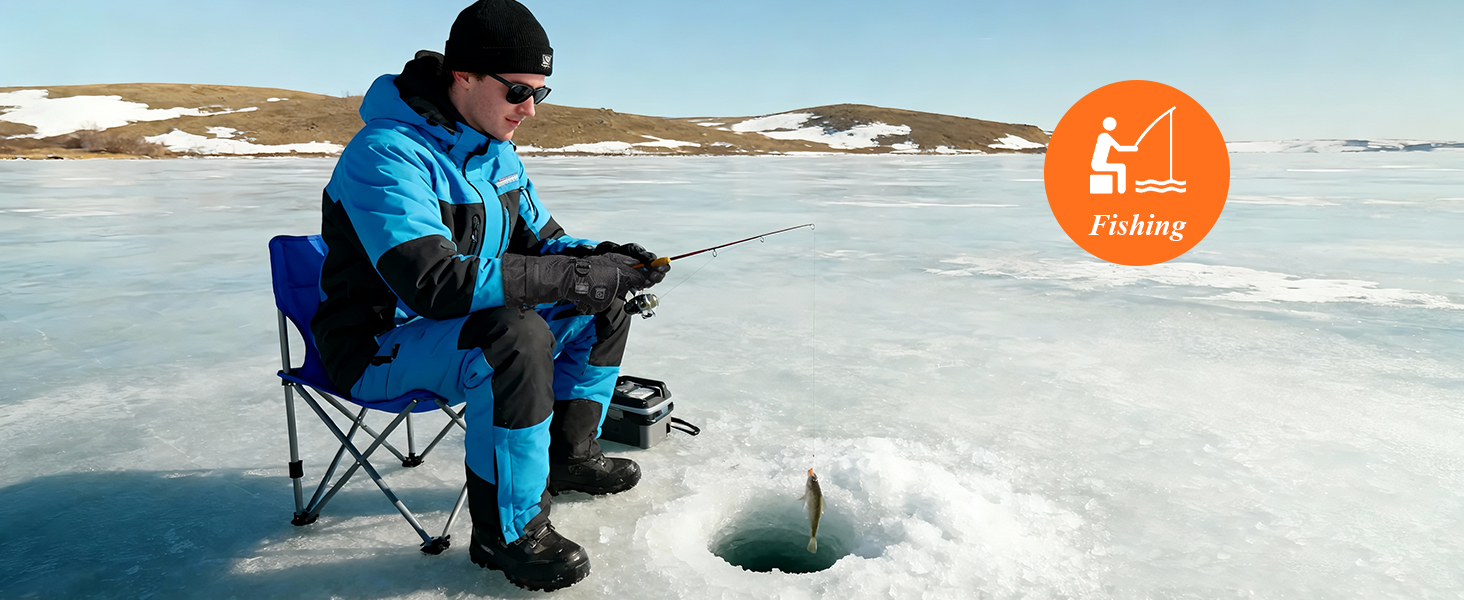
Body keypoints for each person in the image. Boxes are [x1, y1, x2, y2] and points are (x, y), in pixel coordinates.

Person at [310, 0, 669, 591]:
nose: (528, 109)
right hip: (375, 346)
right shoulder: (385, 154)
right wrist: (570, 277)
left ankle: (568, 455)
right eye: (516, 91)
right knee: (513, 336)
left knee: (603, 302)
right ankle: (505, 533)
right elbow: (433, 284)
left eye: (540, 94)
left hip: (454, 329)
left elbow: (545, 242)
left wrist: (603, 260)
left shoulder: (495, 153)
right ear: (464, 75)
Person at [1091, 116, 1138, 193]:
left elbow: (1118, 148)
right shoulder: (1105, 136)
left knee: (1121, 166)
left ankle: (1122, 190)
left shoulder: (1103, 136)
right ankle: (1122, 191)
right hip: (1098, 164)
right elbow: (1119, 149)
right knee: (1121, 167)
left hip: (1099, 163)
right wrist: (1133, 149)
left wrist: (1132, 148)